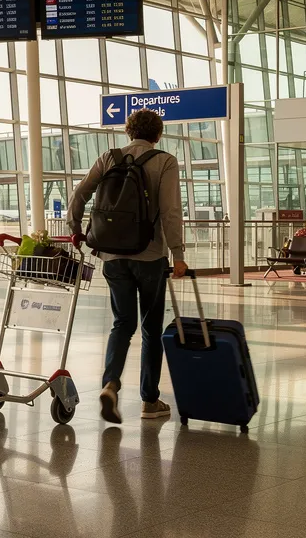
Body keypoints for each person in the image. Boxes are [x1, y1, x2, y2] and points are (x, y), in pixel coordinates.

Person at [67, 108, 187, 424]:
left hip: (111, 256)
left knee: (122, 323)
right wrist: (178, 253)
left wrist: (76, 228)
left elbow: (80, 193)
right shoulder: (165, 161)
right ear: (158, 134)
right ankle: (149, 400)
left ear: (128, 132)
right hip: (149, 255)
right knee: (150, 327)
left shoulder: (109, 157)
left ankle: (111, 384)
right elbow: (171, 211)